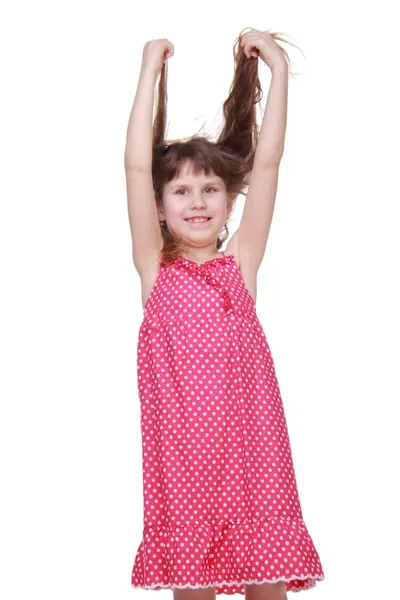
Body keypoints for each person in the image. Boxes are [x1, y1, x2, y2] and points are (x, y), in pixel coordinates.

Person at [124, 28, 325, 599]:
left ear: (227, 201)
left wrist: (278, 70)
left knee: (267, 586)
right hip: (185, 465)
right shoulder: (153, 269)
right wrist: (148, 71)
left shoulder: (241, 262)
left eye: (210, 189)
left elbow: (268, 164)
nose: (197, 201)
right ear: (160, 209)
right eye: (182, 191)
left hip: (253, 457)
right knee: (195, 588)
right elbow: (137, 167)